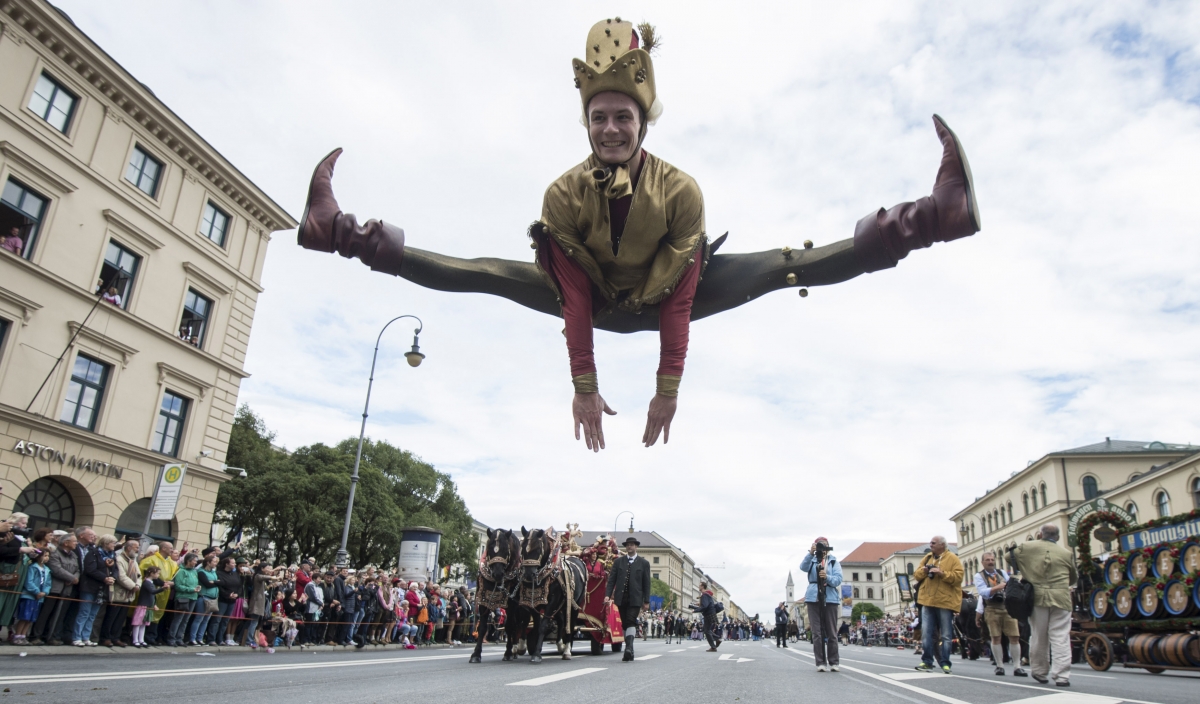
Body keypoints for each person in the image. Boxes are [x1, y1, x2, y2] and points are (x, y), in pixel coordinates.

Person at [294, 18, 981, 451]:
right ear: (587, 124)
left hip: (670, 295)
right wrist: (584, 384)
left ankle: (935, 218)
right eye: (600, 118)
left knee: (783, 264)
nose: (611, 128)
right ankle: (335, 232)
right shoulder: (562, 194)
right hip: (591, 298)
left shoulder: (681, 191)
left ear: (642, 123)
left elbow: (679, 303)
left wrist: (667, 388)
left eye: (623, 117)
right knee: (483, 271)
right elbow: (573, 300)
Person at [1011, 524, 1077, 687]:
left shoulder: (1027, 547)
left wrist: (1027, 569)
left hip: (1037, 597)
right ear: (1058, 537)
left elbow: (1008, 557)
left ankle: (1039, 671)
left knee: (1039, 635)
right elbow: (1073, 578)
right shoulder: (1066, 553)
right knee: (1061, 636)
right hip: (1061, 597)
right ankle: (1062, 676)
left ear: (1040, 535)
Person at [913, 536, 964, 674]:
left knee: (946, 635)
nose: (930, 545)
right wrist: (924, 571)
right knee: (926, 633)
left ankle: (945, 663)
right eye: (930, 542)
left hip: (944, 601)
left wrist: (942, 573)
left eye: (933, 543)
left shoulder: (952, 558)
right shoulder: (927, 558)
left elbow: (958, 577)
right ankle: (927, 661)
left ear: (942, 545)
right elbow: (916, 575)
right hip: (927, 600)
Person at [974, 550, 1027, 677]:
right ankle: (999, 666)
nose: (991, 562)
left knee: (1014, 636)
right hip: (991, 608)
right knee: (995, 637)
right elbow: (982, 592)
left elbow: (1009, 587)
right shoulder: (979, 576)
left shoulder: (1002, 572)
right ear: (982, 562)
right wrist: (997, 588)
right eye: (988, 560)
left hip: (1007, 608)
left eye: (992, 560)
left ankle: (1017, 666)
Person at [800, 537, 843, 672]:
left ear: (828, 547)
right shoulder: (812, 560)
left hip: (830, 597)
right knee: (816, 632)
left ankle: (834, 662)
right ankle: (820, 662)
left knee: (831, 632)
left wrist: (827, 577)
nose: (822, 548)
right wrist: (810, 553)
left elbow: (838, 579)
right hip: (813, 597)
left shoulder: (833, 561)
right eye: (819, 545)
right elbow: (803, 567)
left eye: (824, 545)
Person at [605, 535, 651, 662]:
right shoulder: (618, 562)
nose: (629, 547)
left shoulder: (644, 563)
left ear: (636, 547)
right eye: (627, 545)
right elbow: (612, 580)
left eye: (632, 545)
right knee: (625, 623)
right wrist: (608, 595)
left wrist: (646, 600)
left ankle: (629, 649)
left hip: (635, 598)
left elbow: (646, 583)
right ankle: (629, 649)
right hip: (621, 597)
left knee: (631, 620)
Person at [73, 534, 118, 647]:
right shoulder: (93, 553)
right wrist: (104, 578)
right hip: (89, 587)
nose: (115, 545)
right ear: (106, 543)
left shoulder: (112, 555)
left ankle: (86, 637)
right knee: (84, 613)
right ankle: (76, 637)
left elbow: (116, 569)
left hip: (102, 589)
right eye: (113, 543)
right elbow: (90, 569)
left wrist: (113, 578)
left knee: (93, 614)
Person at [101, 538, 142, 647]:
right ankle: (106, 637)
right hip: (118, 593)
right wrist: (133, 586)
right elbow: (121, 576)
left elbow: (139, 575)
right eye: (136, 547)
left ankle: (115, 637)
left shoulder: (133, 561)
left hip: (128, 595)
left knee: (120, 619)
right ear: (129, 548)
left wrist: (138, 585)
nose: (138, 549)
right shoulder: (119, 559)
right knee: (111, 617)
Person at [12, 545, 52, 644]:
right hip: (29, 596)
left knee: (30, 618)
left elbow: (48, 583)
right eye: (45, 555)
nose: (47, 558)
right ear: (38, 556)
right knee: (24, 617)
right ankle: (17, 636)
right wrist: (36, 591)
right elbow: (29, 582)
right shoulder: (32, 567)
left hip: (39, 598)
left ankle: (23, 636)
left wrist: (45, 592)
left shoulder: (47, 569)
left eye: (48, 556)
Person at [168, 552, 202, 647]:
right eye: (194, 561)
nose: (196, 562)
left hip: (193, 597)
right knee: (178, 619)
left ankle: (179, 638)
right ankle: (171, 638)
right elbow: (178, 586)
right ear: (188, 561)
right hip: (183, 597)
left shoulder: (194, 571)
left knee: (185, 620)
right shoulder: (181, 571)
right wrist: (191, 589)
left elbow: (195, 582)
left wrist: (197, 587)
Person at [131, 565, 169, 647]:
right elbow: (152, 591)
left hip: (148, 606)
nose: (158, 575)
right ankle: (135, 640)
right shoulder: (146, 582)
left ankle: (141, 640)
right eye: (157, 573)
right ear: (151, 573)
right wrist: (163, 588)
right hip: (142, 606)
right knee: (137, 623)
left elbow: (152, 596)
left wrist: (154, 604)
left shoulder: (151, 583)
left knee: (144, 624)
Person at [689, 581, 721, 651]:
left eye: (699, 585)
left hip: (708, 614)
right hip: (710, 613)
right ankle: (716, 640)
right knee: (706, 630)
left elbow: (704, 606)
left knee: (706, 630)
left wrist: (695, 610)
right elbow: (706, 604)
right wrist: (698, 604)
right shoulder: (707, 594)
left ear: (702, 586)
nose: (698, 586)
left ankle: (714, 646)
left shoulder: (704, 595)